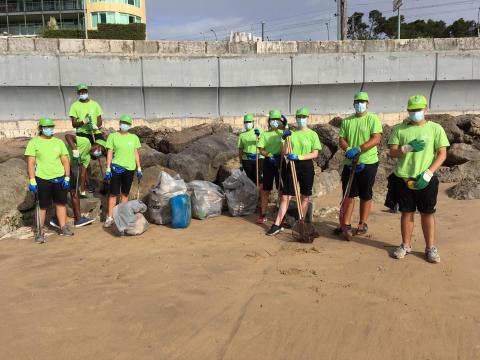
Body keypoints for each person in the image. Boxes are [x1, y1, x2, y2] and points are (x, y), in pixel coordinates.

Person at [386, 95, 449, 263]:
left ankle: (430, 248)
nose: (415, 113)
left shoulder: (436, 128)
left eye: (418, 110)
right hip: (403, 178)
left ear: (425, 109)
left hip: (426, 179)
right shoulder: (400, 129)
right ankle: (405, 245)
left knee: (427, 213)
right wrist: (406, 148)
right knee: (406, 212)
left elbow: (442, 153)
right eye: (412, 110)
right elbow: (392, 152)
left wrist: (429, 173)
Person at [267, 107, 322, 236]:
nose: (301, 119)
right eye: (299, 117)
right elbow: (284, 152)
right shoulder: (291, 133)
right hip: (291, 164)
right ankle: (277, 224)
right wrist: (285, 139)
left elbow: (315, 153)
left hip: (306, 166)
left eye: (303, 117)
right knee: (286, 196)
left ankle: (301, 221)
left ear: (308, 118)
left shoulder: (312, 134)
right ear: (296, 118)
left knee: (304, 196)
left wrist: (299, 157)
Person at [336, 91, 383, 239]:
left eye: (362, 102)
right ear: (353, 104)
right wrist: (349, 149)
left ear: (367, 103)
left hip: (368, 161)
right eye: (357, 102)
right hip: (350, 163)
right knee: (349, 194)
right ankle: (347, 223)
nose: (360, 104)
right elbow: (341, 138)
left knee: (365, 194)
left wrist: (359, 149)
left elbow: (376, 138)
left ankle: (362, 223)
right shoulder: (347, 121)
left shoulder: (373, 119)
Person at [24, 118, 73, 243]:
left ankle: (63, 227)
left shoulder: (59, 142)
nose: (49, 129)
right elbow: (31, 162)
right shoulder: (34, 143)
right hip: (42, 178)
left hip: (59, 178)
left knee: (61, 203)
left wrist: (67, 176)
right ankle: (39, 232)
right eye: (46, 127)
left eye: (51, 127)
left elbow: (65, 160)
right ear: (40, 128)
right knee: (42, 205)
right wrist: (32, 180)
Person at [49, 135, 107, 229]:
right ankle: (56, 218)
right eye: (100, 150)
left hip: (68, 168)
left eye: (101, 153)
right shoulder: (86, 142)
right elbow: (68, 137)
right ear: (97, 145)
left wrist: (82, 188)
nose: (99, 153)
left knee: (74, 192)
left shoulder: (87, 158)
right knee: (61, 192)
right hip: (58, 164)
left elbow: (83, 174)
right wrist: (74, 149)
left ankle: (78, 219)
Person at [103, 115, 142, 228]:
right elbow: (109, 152)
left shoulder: (134, 137)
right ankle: (109, 217)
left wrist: (139, 167)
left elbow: (135, 153)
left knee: (125, 193)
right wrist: (108, 167)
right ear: (119, 123)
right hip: (116, 168)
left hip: (130, 168)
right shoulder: (112, 136)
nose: (124, 125)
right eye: (123, 122)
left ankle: (122, 216)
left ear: (130, 125)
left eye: (127, 123)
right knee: (113, 193)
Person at [256, 110, 284, 224]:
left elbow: (288, 143)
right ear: (269, 121)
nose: (274, 122)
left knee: (282, 189)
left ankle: (282, 213)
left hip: (281, 161)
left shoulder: (282, 133)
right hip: (268, 162)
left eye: (276, 120)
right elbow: (261, 149)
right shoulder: (265, 134)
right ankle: (263, 214)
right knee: (265, 189)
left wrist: (285, 128)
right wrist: (269, 155)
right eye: (272, 120)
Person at [237, 114, 264, 185]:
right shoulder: (242, 135)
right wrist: (240, 163)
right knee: (250, 179)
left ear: (253, 122)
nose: (247, 123)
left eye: (249, 121)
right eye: (246, 122)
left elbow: (264, 143)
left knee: (258, 178)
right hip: (247, 159)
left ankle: (259, 194)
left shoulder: (259, 131)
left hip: (259, 158)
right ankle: (253, 194)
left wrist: (258, 136)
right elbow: (240, 149)